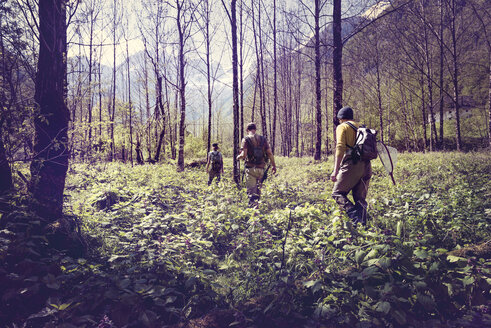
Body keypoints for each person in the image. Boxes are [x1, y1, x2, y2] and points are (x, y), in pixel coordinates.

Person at [331, 106, 372, 225]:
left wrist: (335, 170)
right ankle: (364, 224)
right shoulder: (361, 127)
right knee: (360, 198)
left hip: (352, 164)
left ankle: (355, 219)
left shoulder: (342, 127)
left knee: (337, 193)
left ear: (341, 118)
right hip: (366, 165)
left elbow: (340, 148)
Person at [237, 123, 277, 207]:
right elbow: (269, 153)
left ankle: (254, 215)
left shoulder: (246, 139)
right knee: (258, 192)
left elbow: (244, 155)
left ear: (247, 130)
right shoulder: (263, 139)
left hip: (251, 169)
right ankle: (257, 211)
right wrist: (274, 166)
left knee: (252, 194)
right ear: (255, 129)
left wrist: (238, 157)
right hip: (261, 169)